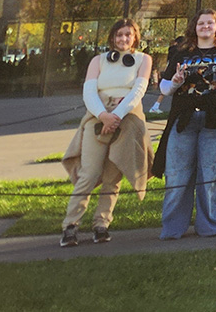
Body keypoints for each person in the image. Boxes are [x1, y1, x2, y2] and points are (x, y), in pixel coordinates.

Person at [59, 18, 152, 247]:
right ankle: (70, 226)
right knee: (88, 174)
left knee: (113, 177)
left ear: (135, 38)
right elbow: (89, 91)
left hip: (127, 121)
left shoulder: (144, 60)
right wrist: (103, 116)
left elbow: (138, 91)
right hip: (98, 119)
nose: (123, 39)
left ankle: (101, 224)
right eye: (119, 35)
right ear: (112, 38)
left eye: (128, 35)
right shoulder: (98, 61)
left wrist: (116, 116)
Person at [156, 9, 216, 239]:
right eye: (201, 23)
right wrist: (175, 81)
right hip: (184, 119)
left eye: (210, 23)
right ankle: (172, 228)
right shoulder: (181, 54)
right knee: (177, 174)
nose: (205, 27)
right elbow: (164, 89)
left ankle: (208, 226)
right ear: (194, 27)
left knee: (211, 174)